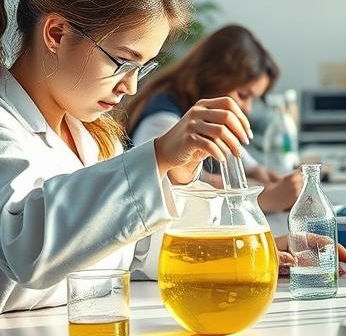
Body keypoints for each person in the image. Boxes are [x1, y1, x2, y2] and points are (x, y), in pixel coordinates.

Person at [0, 0, 346, 313]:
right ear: (55, 33)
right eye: (122, 61)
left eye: (144, 68)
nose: (130, 87)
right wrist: (157, 156)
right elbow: (27, 245)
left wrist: (250, 252)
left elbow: (138, 252)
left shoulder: (88, 136)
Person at [126, 25, 302, 213]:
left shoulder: (207, 118)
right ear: (213, 77)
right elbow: (179, 191)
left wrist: (259, 174)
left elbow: (246, 166)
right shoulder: (161, 121)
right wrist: (268, 199)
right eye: (243, 95)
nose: (248, 108)